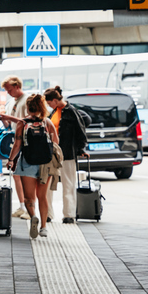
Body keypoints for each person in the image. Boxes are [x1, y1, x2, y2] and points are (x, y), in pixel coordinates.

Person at [3, 94, 59, 238]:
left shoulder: (23, 123)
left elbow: (17, 144)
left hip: (27, 163)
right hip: (45, 165)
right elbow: (56, 142)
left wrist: (10, 160)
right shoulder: (47, 123)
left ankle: (33, 215)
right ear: (42, 107)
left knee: (29, 198)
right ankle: (44, 227)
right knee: (42, 196)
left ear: (28, 107)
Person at [44, 86, 87, 224]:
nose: (48, 105)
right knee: (48, 183)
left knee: (68, 183)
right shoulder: (54, 112)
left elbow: (81, 132)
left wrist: (80, 149)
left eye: (49, 102)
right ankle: (48, 214)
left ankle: (69, 215)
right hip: (53, 153)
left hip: (68, 153)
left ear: (55, 100)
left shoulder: (71, 112)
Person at [1, 75, 30, 220]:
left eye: (10, 89)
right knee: (16, 175)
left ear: (17, 86)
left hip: (25, 141)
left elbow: (29, 121)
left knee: (24, 176)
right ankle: (22, 205)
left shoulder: (27, 101)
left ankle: (28, 208)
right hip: (14, 140)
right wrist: (4, 120)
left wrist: (9, 119)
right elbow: (9, 125)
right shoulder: (10, 101)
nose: (8, 93)